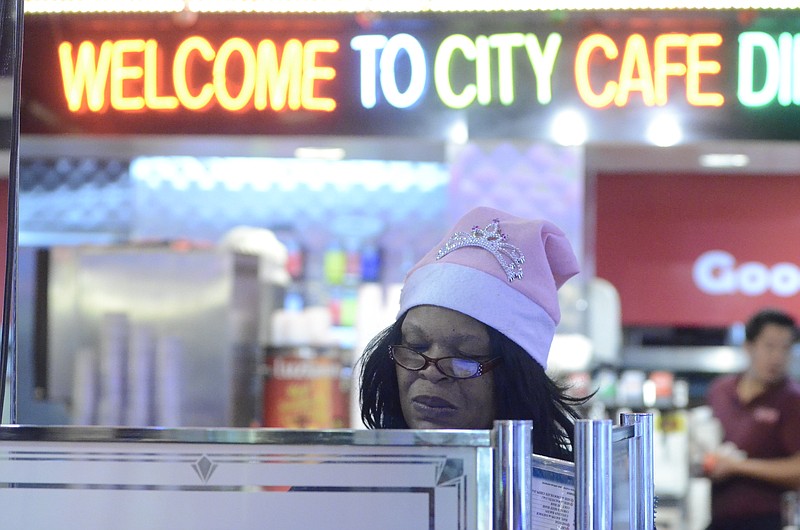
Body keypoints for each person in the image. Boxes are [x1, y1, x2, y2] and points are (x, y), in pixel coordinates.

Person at [358, 206, 588, 461]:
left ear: (516, 378)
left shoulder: (561, 493)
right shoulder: (370, 480)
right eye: (416, 347)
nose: (431, 372)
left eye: (466, 356)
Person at [705, 308, 800, 530]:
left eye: (786, 348)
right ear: (748, 347)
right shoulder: (720, 391)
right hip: (719, 518)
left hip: (771, 520)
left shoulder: (792, 400)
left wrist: (739, 466)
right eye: (769, 346)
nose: (777, 357)